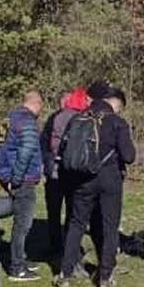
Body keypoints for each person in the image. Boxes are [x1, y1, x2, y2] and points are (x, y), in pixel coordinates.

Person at [54, 82, 135, 287]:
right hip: (109, 179)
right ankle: (105, 277)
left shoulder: (77, 119)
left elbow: (64, 149)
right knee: (109, 226)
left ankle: (65, 273)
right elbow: (129, 156)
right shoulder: (117, 122)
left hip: (82, 179)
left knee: (76, 224)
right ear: (111, 103)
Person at [0, 91, 45, 281]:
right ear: (37, 103)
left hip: (9, 175)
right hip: (23, 179)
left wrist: (1, 174)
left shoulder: (7, 120)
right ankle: (17, 267)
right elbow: (26, 153)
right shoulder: (27, 123)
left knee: (20, 222)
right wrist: (16, 178)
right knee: (23, 224)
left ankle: (20, 259)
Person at [41, 86, 91, 258]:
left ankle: (58, 245)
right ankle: (68, 247)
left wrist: (47, 161)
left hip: (55, 171)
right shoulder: (83, 118)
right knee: (70, 211)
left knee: (55, 211)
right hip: (69, 172)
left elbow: (44, 142)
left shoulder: (55, 118)